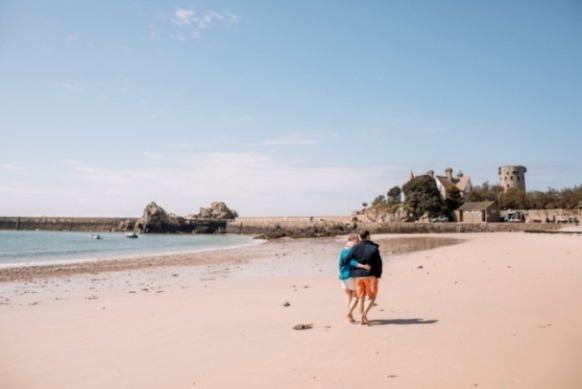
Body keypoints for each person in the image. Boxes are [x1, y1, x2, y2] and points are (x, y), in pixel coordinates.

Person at [342, 230, 383, 325]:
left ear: (360, 237)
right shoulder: (373, 248)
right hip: (370, 275)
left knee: (361, 297)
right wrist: (378, 274)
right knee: (372, 297)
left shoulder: (355, 247)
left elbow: (346, 260)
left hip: (357, 276)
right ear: (368, 236)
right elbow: (379, 263)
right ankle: (363, 314)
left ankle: (361, 319)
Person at [338, 234, 371, 323]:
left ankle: (350, 317)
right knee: (356, 296)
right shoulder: (352, 249)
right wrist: (364, 266)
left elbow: (339, 263)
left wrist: (341, 273)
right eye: (355, 240)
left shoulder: (343, 250)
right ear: (351, 240)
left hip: (343, 276)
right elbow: (352, 262)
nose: (357, 241)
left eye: (358, 239)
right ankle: (349, 313)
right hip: (350, 276)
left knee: (348, 296)